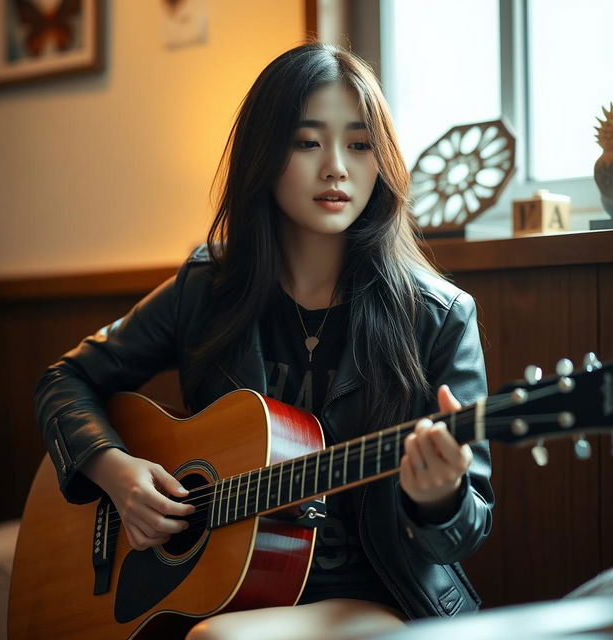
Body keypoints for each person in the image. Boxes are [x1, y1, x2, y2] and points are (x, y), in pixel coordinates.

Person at [35, 42, 493, 640]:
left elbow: (468, 528)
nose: (337, 167)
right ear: (264, 154)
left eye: (359, 145)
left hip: (376, 594)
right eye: (308, 142)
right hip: (222, 581)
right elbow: (64, 380)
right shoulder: (207, 288)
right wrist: (116, 472)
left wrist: (440, 497)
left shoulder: (439, 315)